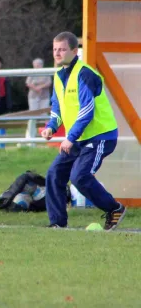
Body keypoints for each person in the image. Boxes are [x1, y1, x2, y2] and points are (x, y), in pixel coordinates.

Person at [41, 31, 126, 230]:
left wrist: (70, 137)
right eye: (55, 49)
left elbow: (87, 110)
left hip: (100, 137)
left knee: (79, 176)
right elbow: (58, 107)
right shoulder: (58, 75)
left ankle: (114, 208)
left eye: (62, 49)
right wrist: (51, 127)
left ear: (74, 50)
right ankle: (57, 224)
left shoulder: (85, 74)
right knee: (54, 174)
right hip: (78, 138)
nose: (57, 53)